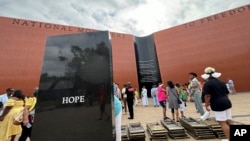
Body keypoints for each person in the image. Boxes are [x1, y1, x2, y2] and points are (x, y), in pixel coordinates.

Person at [201, 67, 232, 140]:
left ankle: (228, 138)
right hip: (227, 102)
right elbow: (227, 93)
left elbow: (208, 95)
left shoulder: (207, 84)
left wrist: (206, 104)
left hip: (217, 104)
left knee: (222, 123)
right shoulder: (221, 82)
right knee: (229, 121)